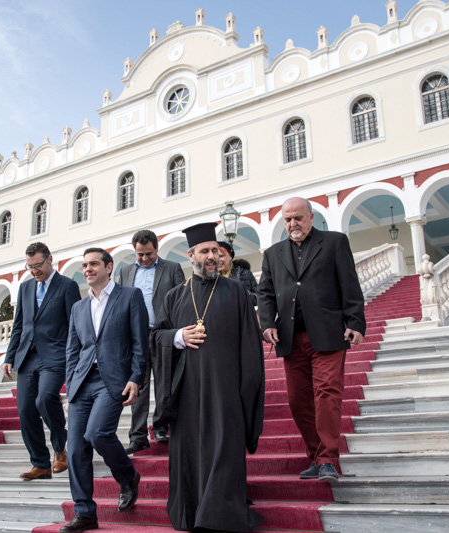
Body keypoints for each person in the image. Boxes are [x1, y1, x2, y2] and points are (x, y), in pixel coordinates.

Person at [152, 222, 265, 532]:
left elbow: (250, 343)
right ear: (191, 255)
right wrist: (178, 336)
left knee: (223, 448)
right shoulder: (175, 296)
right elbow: (156, 336)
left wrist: (247, 387)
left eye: (215, 251)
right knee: (189, 452)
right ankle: (191, 514)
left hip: (226, 389)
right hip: (187, 392)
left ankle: (218, 516)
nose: (212, 256)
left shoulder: (237, 292)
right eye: (205, 251)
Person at [257, 197, 366, 483]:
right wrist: (267, 323)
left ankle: (329, 459)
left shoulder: (334, 242)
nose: (293, 224)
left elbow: (349, 284)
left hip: (328, 334)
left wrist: (355, 322)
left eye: (298, 218)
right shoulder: (273, 253)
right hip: (291, 339)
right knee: (297, 401)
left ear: (311, 217)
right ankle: (317, 456)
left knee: (327, 394)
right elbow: (265, 293)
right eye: (288, 219)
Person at [61, 248, 148, 532]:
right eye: (85, 265)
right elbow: (72, 350)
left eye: (94, 264)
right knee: (75, 449)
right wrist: (71, 385)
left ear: (109, 267)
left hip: (113, 380)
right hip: (82, 382)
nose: (88, 269)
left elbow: (139, 341)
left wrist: (136, 377)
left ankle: (127, 477)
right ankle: (85, 512)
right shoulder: (78, 307)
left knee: (97, 433)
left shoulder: (130, 296)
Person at [3, 242, 81, 480]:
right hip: (28, 356)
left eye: (38, 265)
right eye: (30, 267)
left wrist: (74, 356)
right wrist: (9, 356)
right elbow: (19, 325)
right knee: (25, 409)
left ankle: (60, 448)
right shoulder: (25, 288)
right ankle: (40, 463)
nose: (34, 270)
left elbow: (74, 324)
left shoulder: (67, 286)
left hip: (56, 354)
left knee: (45, 399)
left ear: (50, 259)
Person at [117, 229, 185, 454]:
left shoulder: (172, 268)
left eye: (149, 253)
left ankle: (161, 426)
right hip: (135, 337)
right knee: (137, 386)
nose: (145, 258)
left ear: (157, 248)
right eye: (140, 254)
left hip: (164, 333)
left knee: (165, 383)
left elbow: (182, 300)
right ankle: (137, 436)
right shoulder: (125, 273)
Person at [218, 240, 258, 306]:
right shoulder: (212, 278)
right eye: (215, 257)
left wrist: (239, 294)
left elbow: (259, 298)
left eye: (221, 256)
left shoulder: (243, 273)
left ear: (230, 256)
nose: (218, 260)